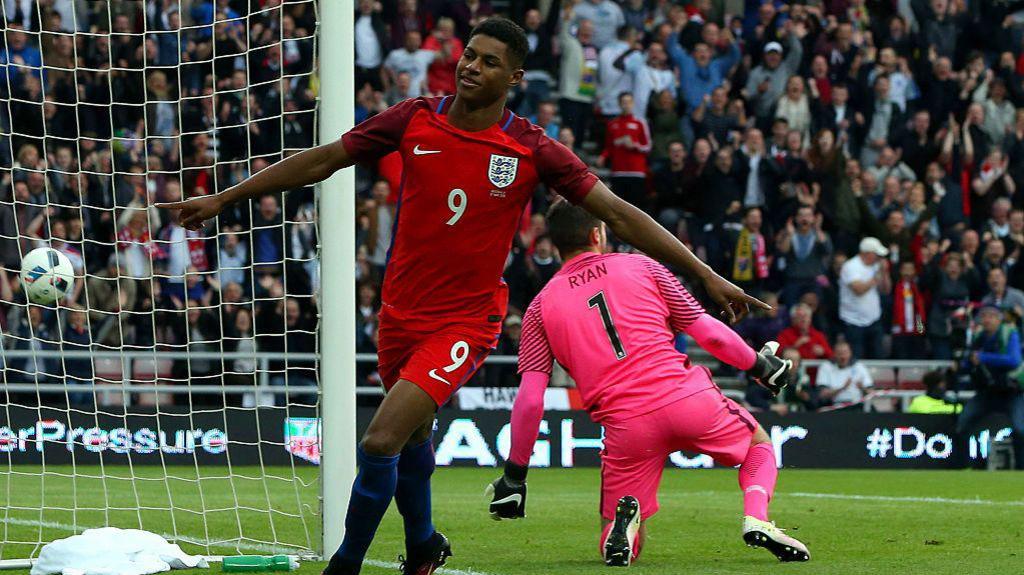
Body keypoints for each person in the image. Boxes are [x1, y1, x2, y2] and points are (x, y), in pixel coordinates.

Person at [158, 17, 766, 575]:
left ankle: (344, 565)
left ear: (514, 77)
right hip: (399, 314)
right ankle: (422, 544)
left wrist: (704, 274)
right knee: (416, 437)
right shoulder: (414, 118)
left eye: (488, 61)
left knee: (380, 440)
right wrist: (224, 199)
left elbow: (620, 215)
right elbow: (323, 160)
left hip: (465, 322)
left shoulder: (532, 148)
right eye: (468, 56)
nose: (471, 67)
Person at [486, 201, 808, 566]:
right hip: (687, 398)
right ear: (598, 234)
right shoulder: (642, 266)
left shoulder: (538, 308)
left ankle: (622, 527)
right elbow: (708, 334)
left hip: (626, 425)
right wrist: (759, 364)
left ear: (557, 245)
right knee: (757, 445)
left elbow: (530, 400)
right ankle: (756, 517)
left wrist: (515, 475)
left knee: (620, 543)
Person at [956, 305, 1024, 469]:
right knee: (963, 423)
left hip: (1011, 391)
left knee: (1020, 428)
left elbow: (1013, 360)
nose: (987, 320)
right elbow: (968, 362)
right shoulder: (978, 337)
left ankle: (1021, 468)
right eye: (984, 316)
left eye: (991, 316)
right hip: (988, 392)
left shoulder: (1009, 333)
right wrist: (963, 363)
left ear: (999, 319)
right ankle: (966, 465)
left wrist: (983, 357)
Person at [838, 237, 890, 360]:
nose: (879, 258)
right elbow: (858, 290)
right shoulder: (850, 266)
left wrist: (884, 272)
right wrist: (876, 277)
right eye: (876, 254)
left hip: (874, 320)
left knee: (878, 357)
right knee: (856, 358)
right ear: (867, 253)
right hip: (853, 322)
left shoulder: (876, 267)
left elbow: (886, 290)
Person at [815, 340, 874, 409]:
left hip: (857, 405)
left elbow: (871, 391)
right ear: (834, 354)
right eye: (840, 353)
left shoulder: (858, 366)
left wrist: (862, 388)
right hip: (834, 406)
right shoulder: (826, 366)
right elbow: (822, 394)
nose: (843, 357)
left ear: (850, 353)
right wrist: (842, 388)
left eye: (845, 353)